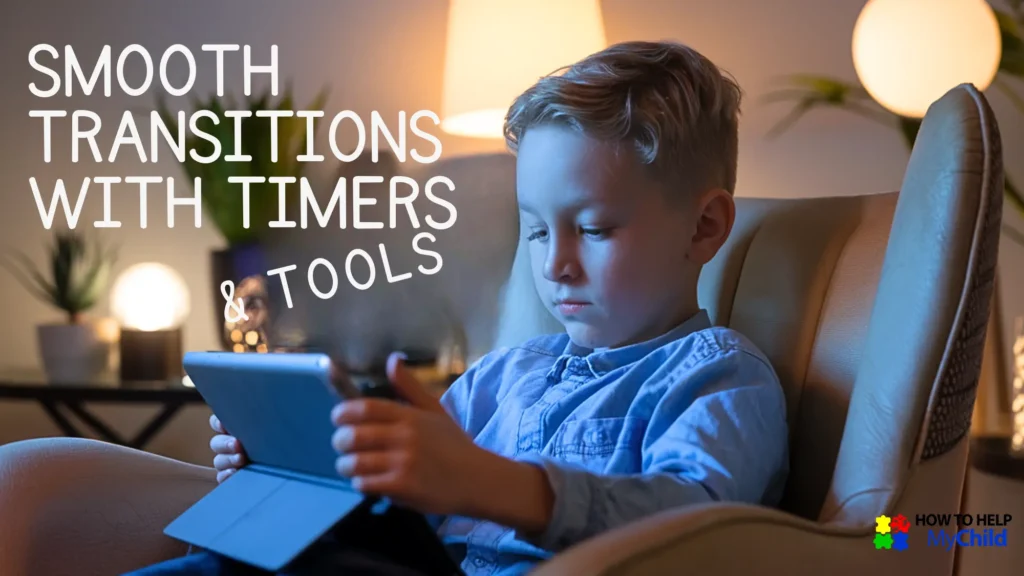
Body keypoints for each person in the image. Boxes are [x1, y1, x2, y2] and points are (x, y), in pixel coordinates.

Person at [124, 40, 789, 576]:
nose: (554, 264)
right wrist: (284, 469)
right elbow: (397, 506)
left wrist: (497, 485)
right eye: (536, 231)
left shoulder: (719, 376)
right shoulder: (503, 377)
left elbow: (698, 528)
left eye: (593, 229)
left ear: (704, 227)